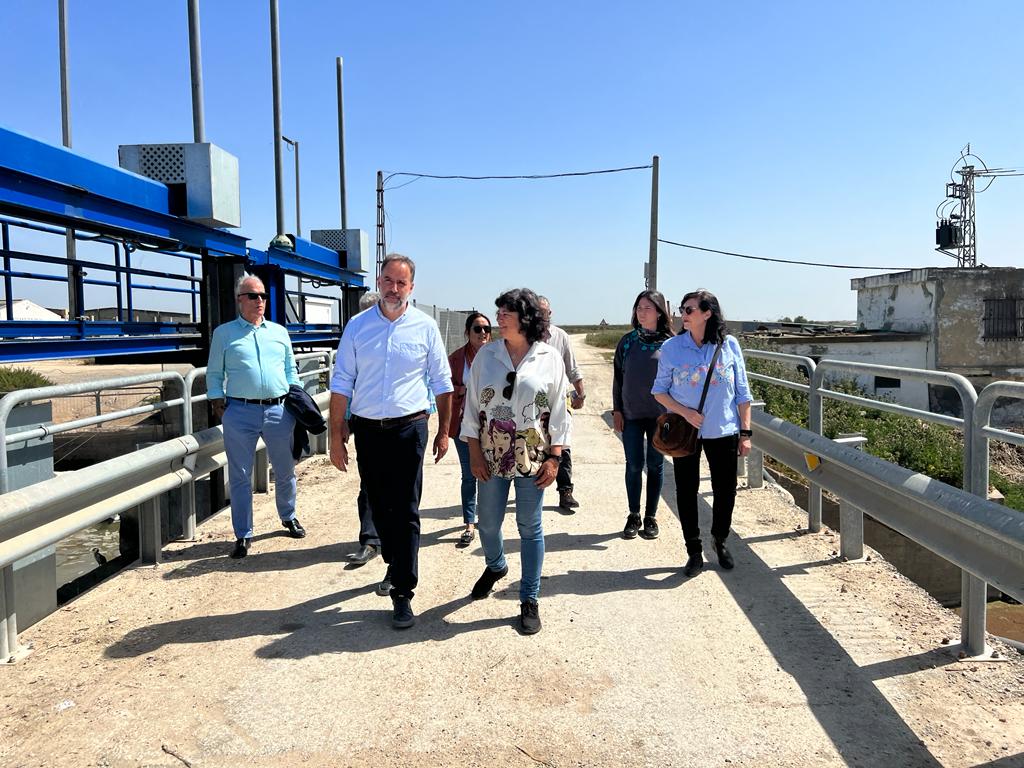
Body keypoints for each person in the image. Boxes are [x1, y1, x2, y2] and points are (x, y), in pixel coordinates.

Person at [328, 255, 453, 629]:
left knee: (407, 508)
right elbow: (341, 381)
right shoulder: (358, 327)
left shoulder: (425, 327)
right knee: (380, 507)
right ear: (378, 282)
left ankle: (403, 592)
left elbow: (442, 383)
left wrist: (444, 431)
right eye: (388, 281)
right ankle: (394, 561)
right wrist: (336, 434)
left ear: (411, 287)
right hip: (368, 431)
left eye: (401, 283)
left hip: (409, 428)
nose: (394, 289)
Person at [463, 288, 570, 635]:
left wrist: (555, 458)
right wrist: (474, 452)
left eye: (505, 313)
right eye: (498, 312)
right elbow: (471, 407)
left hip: (532, 455)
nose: (498, 318)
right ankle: (496, 565)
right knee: (488, 523)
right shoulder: (487, 355)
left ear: (525, 318)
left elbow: (559, 412)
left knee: (529, 526)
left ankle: (529, 598)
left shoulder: (549, 357)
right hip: (491, 453)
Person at [652, 289, 753, 577]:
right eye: (682, 309)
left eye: (689, 310)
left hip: (724, 429)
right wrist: (685, 413)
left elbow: (743, 393)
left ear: (707, 313)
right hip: (686, 431)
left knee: (726, 490)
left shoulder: (729, 345)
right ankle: (693, 550)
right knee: (686, 490)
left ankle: (719, 539)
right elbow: (659, 391)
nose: (682, 315)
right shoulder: (672, 347)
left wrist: (745, 433)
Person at [207, 273, 305, 559]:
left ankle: (288, 516)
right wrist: (217, 402)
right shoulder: (224, 334)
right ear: (240, 300)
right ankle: (243, 534)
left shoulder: (279, 332)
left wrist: (296, 396)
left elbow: (290, 369)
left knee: (285, 470)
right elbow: (214, 373)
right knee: (239, 476)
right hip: (240, 411)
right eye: (253, 296)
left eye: (263, 296)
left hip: (278, 410)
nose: (260, 300)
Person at [612, 290, 674, 541]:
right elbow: (618, 378)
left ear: (659, 312)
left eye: (647, 308)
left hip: (661, 416)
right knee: (634, 465)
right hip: (632, 414)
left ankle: (651, 516)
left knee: (656, 466)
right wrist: (617, 409)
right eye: (639, 307)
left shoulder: (671, 344)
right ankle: (634, 514)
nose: (642, 312)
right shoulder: (627, 342)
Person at [447, 311, 493, 547]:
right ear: (468, 332)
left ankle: (488, 518)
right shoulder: (456, 359)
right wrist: (464, 391)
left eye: (487, 329)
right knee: (469, 474)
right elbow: (444, 389)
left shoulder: (498, 356)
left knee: (489, 474)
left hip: (493, 428)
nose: (483, 333)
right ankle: (469, 523)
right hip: (463, 426)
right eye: (477, 328)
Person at [537, 295, 585, 511]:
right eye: (537, 312)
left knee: (562, 443)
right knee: (535, 443)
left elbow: (572, 368)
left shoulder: (561, 336)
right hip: (534, 401)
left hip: (560, 398)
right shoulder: (525, 336)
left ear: (550, 313)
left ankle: (565, 491)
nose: (542, 316)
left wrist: (581, 394)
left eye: (545, 312)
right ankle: (531, 488)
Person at [347, 291, 382, 567]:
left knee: (399, 486)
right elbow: (344, 381)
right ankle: (370, 540)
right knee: (368, 483)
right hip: (365, 421)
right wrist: (343, 422)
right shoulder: (355, 337)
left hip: (402, 423)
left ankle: (393, 539)